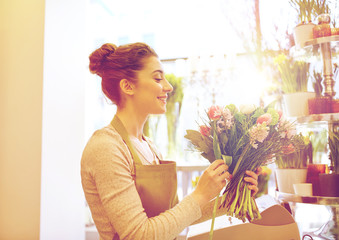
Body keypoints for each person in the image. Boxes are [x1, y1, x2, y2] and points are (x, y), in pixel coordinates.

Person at [81, 42, 260, 240]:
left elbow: (172, 218)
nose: (168, 86)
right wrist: (199, 194)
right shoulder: (106, 148)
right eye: (157, 78)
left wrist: (232, 199)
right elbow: (138, 235)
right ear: (127, 86)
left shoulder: (149, 146)